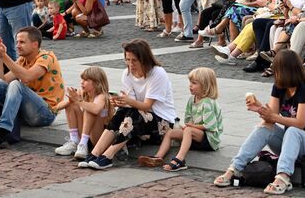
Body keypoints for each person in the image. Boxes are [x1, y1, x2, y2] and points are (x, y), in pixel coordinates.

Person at [213, 50, 305, 194]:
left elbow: (300, 123)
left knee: (292, 130)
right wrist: (259, 108)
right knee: (264, 127)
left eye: (276, 70)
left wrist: (273, 117)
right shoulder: (279, 86)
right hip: (289, 143)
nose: (274, 74)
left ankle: (283, 177)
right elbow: (271, 117)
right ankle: (235, 168)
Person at [79, 39, 176, 170]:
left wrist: (128, 101)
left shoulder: (158, 73)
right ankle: (95, 153)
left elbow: (147, 106)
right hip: (140, 119)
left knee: (134, 113)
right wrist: (120, 102)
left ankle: (108, 155)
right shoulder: (127, 74)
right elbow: (131, 105)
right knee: (122, 111)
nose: (130, 64)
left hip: (162, 124)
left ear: (144, 59)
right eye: (127, 60)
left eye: (134, 60)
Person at [0, 27, 64, 150]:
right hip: (27, 112)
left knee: (16, 85)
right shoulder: (22, 60)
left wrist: (4, 56)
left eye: (22, 42)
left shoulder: (46, 58)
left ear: (34, 44)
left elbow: (27, 77)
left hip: (46, 113)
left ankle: (2, 131)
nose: (17, 46)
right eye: (17, 42)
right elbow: (1, 80)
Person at [138, 67, 223, 172]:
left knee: (188, 130)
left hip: (210, 139)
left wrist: (191, 127)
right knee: (170, 132)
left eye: (194, 83)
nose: (190, 85)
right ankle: (158, 157)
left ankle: (180, 160)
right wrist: (186, 126)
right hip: (195, 134)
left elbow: (210, 126)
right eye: (190, 82)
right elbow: (189, 120)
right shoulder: (192, 100)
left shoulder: (208, 103)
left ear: (205, 86)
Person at [54, 66, 112, 159]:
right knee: (71, 105)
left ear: (96, 82)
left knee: (89, 109)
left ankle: (83, 144)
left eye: (86, 80)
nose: (82, 82)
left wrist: (79, 101)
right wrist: (70, 101)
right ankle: (75, 141)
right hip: (86, 135)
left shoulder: (102, 96)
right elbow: (57, 107)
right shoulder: (82, 92)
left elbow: (96, 109)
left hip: (98, 138)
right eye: (82, 79)